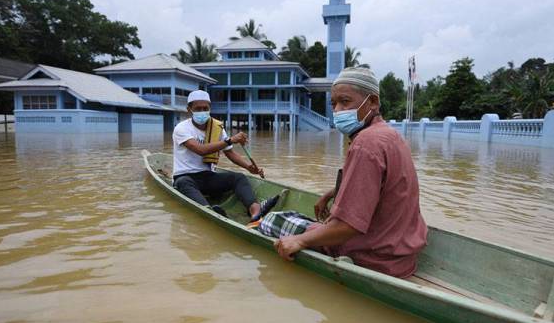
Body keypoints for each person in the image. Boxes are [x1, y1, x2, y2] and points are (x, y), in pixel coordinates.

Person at [274, 67, 428, 278]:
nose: (337, 110)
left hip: (372, 258)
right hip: (400, 257)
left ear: (373, 102)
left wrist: (300, 241)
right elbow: (379, 184)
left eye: (345, 102)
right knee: (311, 224)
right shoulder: (389, 135)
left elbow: (348, 227)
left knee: (273, 219)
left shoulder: (366, 143)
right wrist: (331, 193)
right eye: (334, 104)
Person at [172, 90, 277, 220]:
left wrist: (248, 167)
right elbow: (201, 150)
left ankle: (256, 212)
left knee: (238, 178)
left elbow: (230, 153)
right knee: (182, 182)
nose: (202, 111)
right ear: (189, 110)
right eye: (198, 109)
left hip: (207, 177)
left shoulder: (216, 127)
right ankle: (210, 212)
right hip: (186, 177)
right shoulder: (181, 128)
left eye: (205, 108)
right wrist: (230, 139)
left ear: (210, 108)